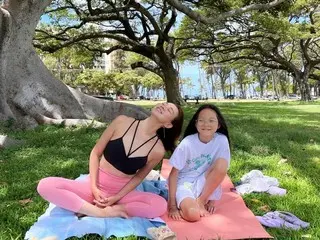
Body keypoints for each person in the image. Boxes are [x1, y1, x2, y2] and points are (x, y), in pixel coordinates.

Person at [37, 102, 184, 219]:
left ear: (168, 124)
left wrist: (116, 199)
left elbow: (139, 177)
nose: (164, 106)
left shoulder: (157, 150)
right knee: (45, 185)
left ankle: (111, 210)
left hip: (120, 194)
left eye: (169, 110)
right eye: (164, 104)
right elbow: (95, 153)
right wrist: (94, 188)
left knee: (159, 205)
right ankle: (100, 212)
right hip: (94, 186)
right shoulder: (122, 122)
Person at [167, 104, 230, 222]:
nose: (206, 124)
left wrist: (211, 199)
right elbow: (173, 174)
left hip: (205, 183)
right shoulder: (187, 143)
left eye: (211, 120)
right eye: (201, 120)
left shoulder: (221, 140)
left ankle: (201, 201)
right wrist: (172, 206)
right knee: (193, 215)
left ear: (219, 124)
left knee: (222, 163)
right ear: (196, 124)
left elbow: (219, 171)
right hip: (184, 184)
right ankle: (190, 205)